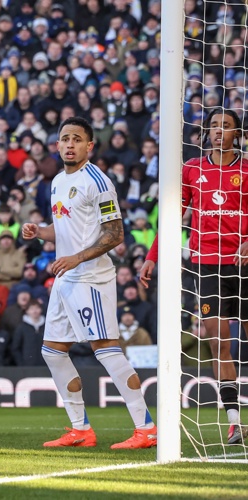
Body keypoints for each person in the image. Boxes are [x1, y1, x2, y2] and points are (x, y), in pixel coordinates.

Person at [21, 117, 157, 449]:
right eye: (64, 139)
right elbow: (64, 230)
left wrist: (76, 258)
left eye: (77, 139)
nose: (69, 144)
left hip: (91, 277)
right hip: (67, 277)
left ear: (89, 145)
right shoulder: (55, 181)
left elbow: (115, 234)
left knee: (105, 348)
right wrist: (40, 232)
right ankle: (80, 428)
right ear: (56, 145)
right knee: (52, 351)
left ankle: (146, 428)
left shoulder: (97, 181)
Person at [140, 108, 248, 444]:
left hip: (243, 264)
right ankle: (234, 422)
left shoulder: (245, 169)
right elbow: (174, 216)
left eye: (226, 126)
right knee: (219, 343)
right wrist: (152, 256)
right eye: (214, 126)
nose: (219, 131)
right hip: (207, 265)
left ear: (237, 134)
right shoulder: (191, 169)